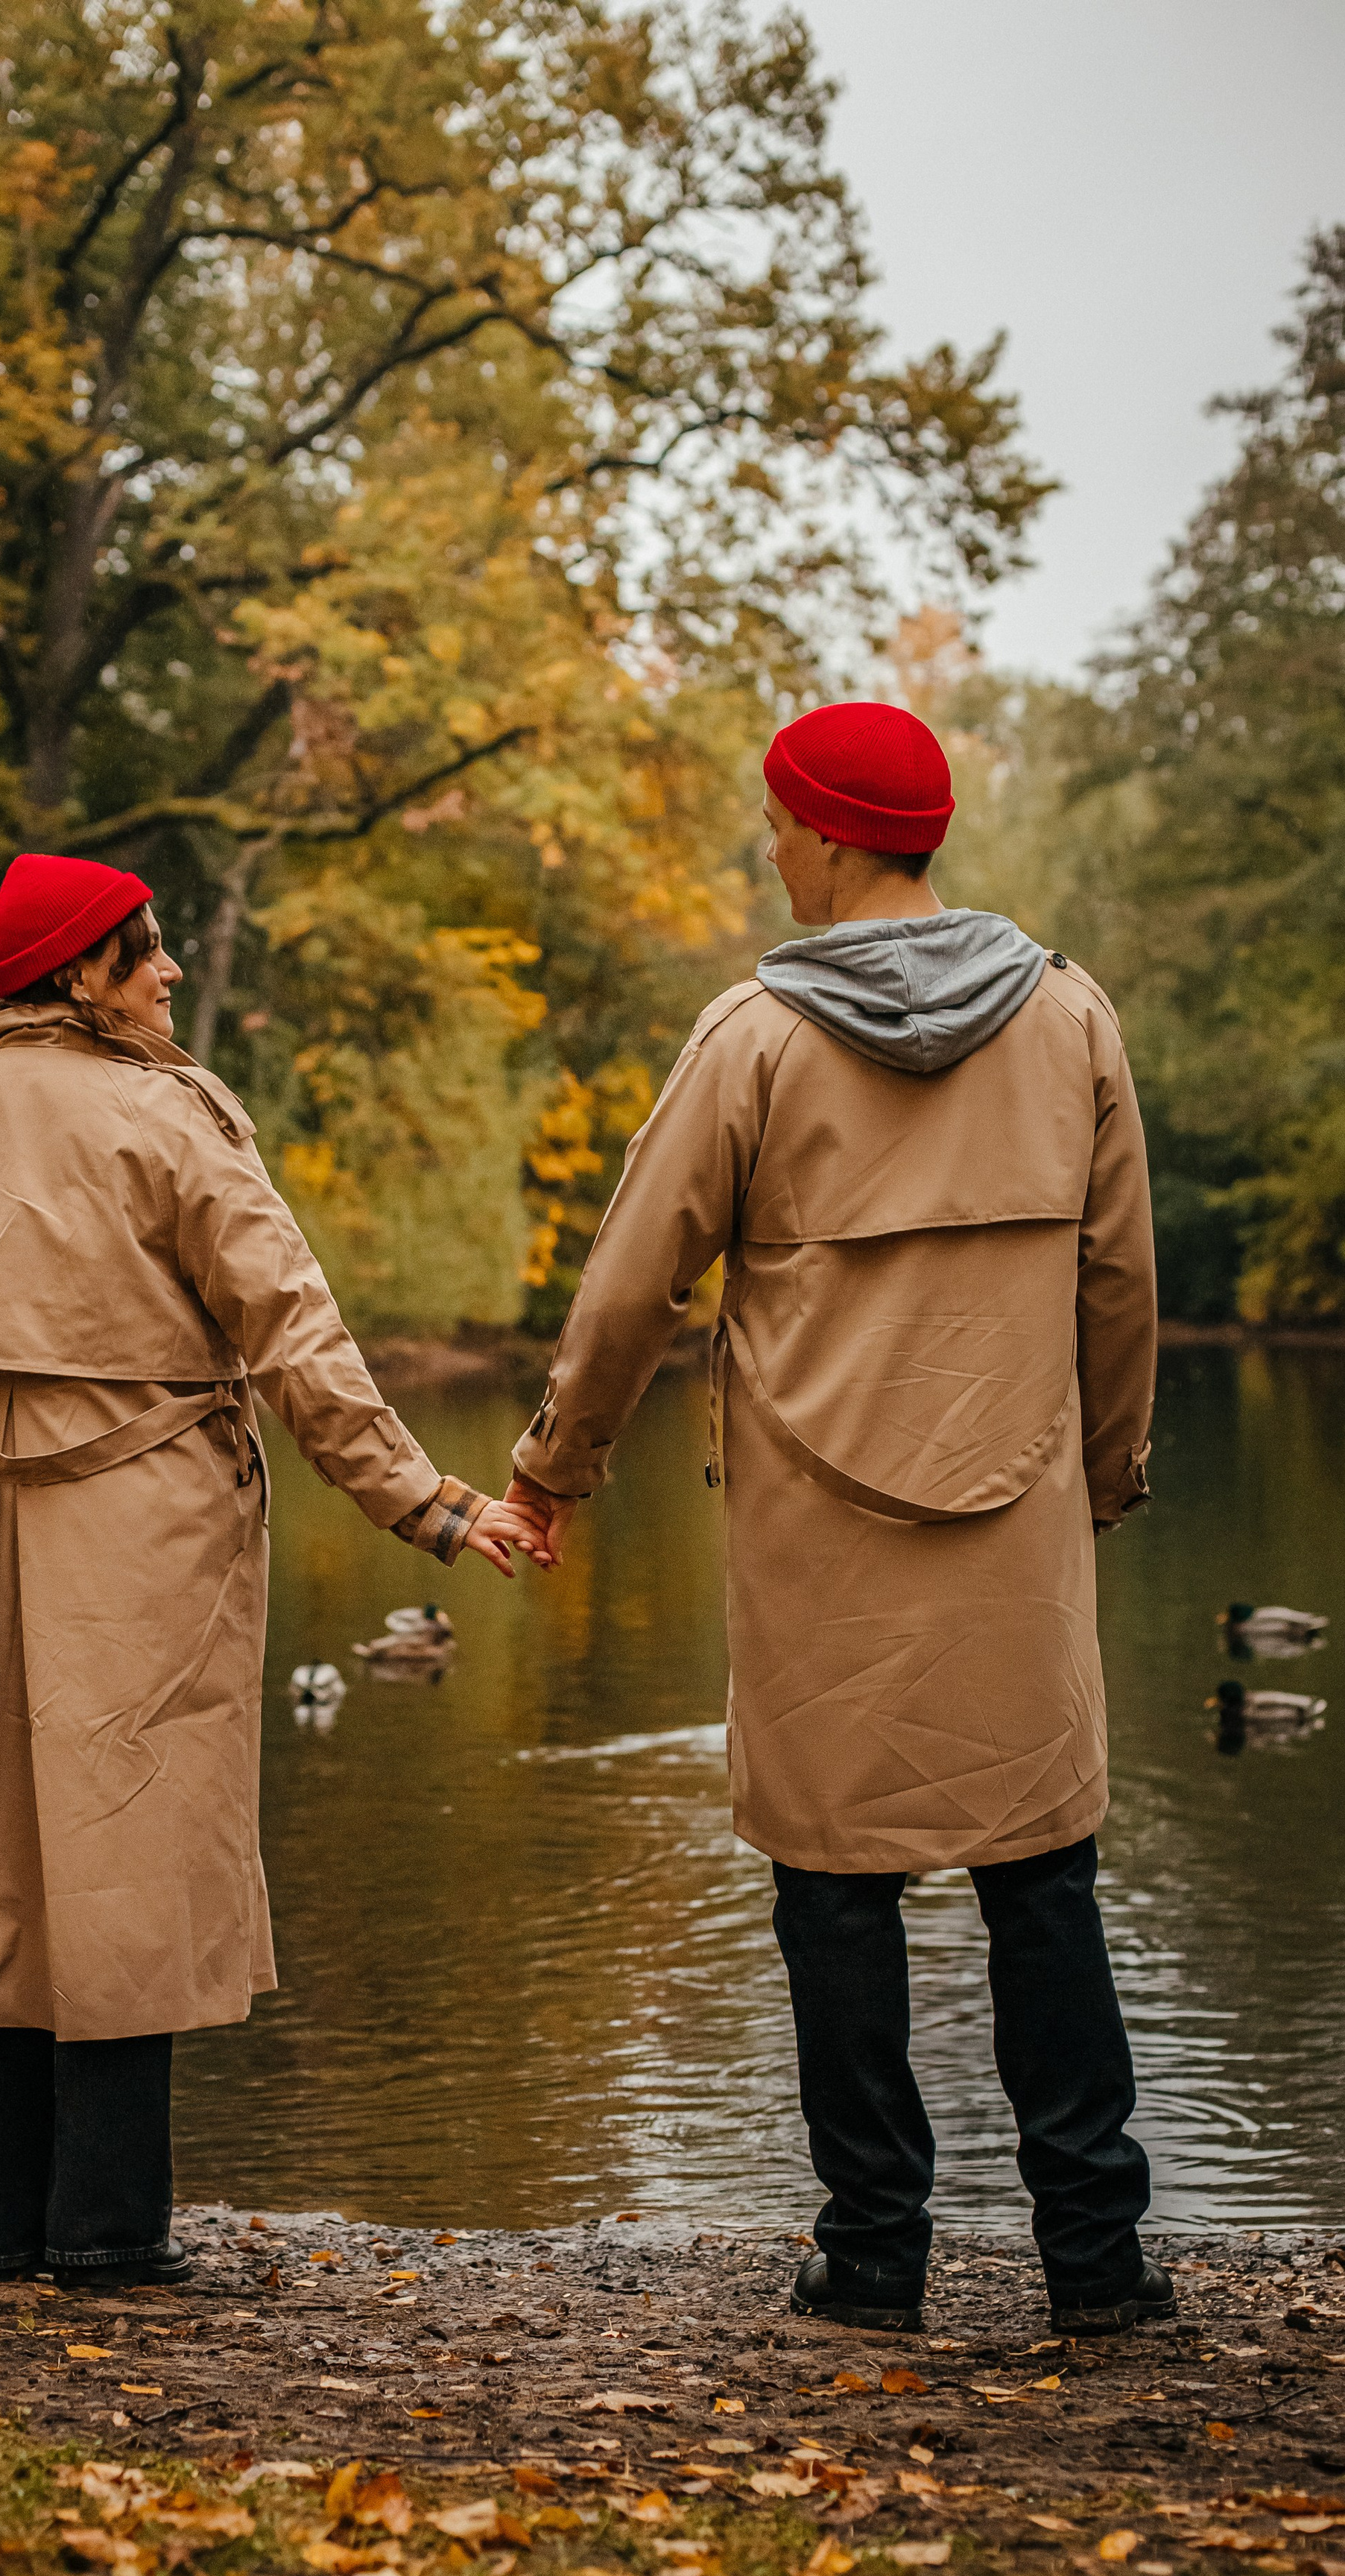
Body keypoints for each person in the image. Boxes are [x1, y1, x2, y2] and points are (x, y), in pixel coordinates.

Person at [505, 701, 1167, 2338]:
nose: (770, 849)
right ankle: (1092, 2260)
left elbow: (627, 1288)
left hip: (819, 1532)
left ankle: (874, 2254)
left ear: (826, 834)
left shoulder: (751, 1038)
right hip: (1013, 1510)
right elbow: (1119, 1283)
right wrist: (1103, 1473)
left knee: (833, 1887)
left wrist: (552, 1470)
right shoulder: (1069, 1018)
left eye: (776, 825)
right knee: (1042, 1880)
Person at [0, 853, 544, 2293]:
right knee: (125, 1859)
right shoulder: (170, 1118)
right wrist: (429, 1504)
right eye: (141, 951)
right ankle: (106, 2236)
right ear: (75, 977)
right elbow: (295, 1335)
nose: (166, 972)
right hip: (141, 1534)